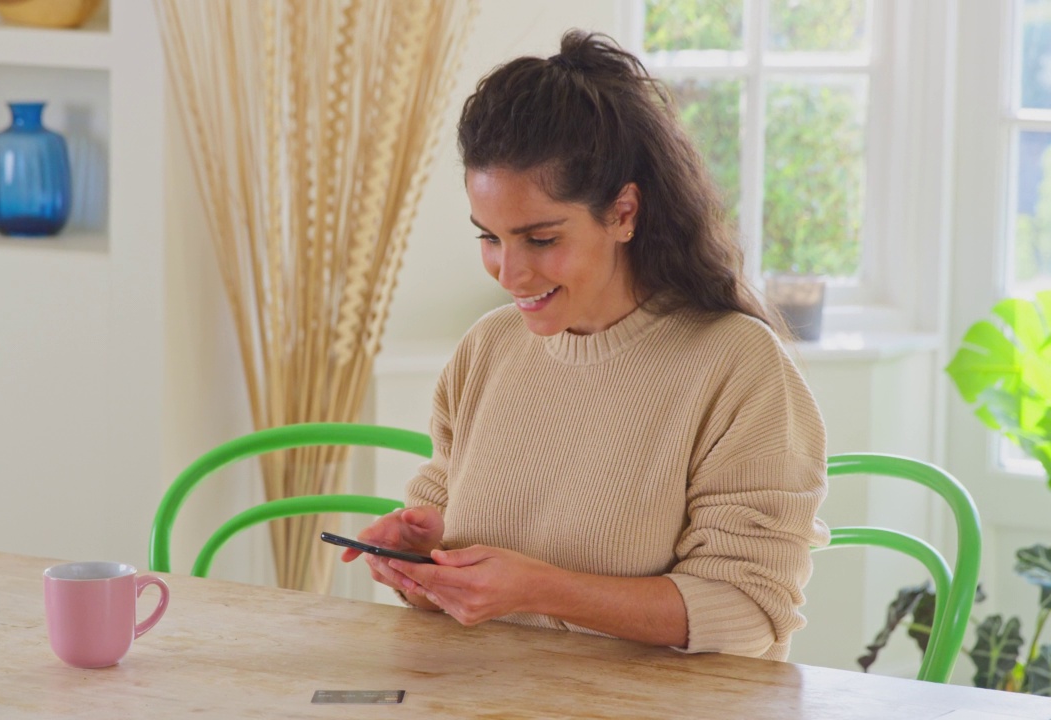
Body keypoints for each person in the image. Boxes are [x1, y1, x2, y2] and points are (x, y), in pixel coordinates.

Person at [341, 30, 829, 661]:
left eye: (541, 239)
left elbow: (746, 613)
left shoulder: (737, 366)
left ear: (624, 212)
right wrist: (423, 561)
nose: (509, 275)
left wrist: (541, 590)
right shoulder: (488, 349)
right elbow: (445, 531)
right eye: (489, 237)